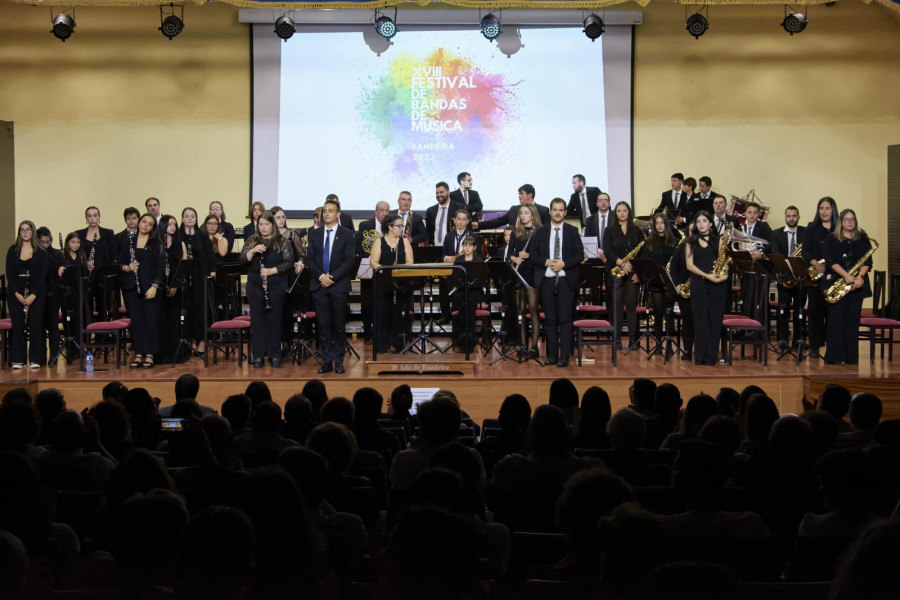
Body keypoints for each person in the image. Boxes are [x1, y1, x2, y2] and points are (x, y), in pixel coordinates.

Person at [526, 198, 583, 367]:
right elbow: (532, 255)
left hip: (566, 280)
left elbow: (579, 255)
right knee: (550, 320)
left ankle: (564, 356)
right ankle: (551, 356)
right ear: (550, 211)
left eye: (561, 210)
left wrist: (564, 263)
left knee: (565, 320)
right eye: (555, 210)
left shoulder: (572, 231)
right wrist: (546, 262)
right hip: (547, 280)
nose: (558, 213)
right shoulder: (541, 232)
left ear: (565, 212)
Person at [306, 199, 355, 374]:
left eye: (330, 211)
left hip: (338, 285)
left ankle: (339, 360)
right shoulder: (315, 234)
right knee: (323, 325)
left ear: (338, 214)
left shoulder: (347, 234)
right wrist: (321, 276)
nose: (326, 214)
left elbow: (350, 260)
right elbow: (309, 259)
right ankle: (326, 360)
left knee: (339, 326)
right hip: (319, 286)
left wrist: (332, 277)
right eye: (324, 211)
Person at [239, 211, 293, 368]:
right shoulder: (252, 240)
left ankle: (274, 354)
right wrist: (252, 251)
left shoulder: (282, 241)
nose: (263, 228)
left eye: (267, 224)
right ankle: (258, 355)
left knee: (274, 319)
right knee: (257, 320)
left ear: (272, 225)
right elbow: (242, 259)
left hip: (276, 284)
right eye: (260, 225)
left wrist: (272, 270)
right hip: (255, 284)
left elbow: (289, 262)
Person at [823, 208, 872, 365]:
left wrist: (860, 277)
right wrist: (847, 276)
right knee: (836, 322)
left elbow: (868, 262)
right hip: (838, 283)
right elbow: (831, 261)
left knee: (852, 322)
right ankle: (834, 357)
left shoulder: (863, 239)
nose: (850, 222)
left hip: (857, 285)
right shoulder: (831, 239)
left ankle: (851, 358)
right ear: (841, 222)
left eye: (852, 219)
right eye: (846, 219)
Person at [119, 213, 165, 369]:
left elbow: (160, 268)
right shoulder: (128, 242)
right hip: (131, 288)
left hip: (150, 288)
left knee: (150, 321)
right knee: (136, 322)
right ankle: (138, 353)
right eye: (144, 222)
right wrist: (127, 267)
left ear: (153, 227)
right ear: (139, 223)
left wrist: (155, 286)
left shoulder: (156, 244)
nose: (146, 225)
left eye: (150, 224)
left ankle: (150, 354)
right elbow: (119, 264)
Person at [685, 211, 729, 365]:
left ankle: (711, 357)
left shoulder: (720, 240)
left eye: (704, 221)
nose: (701, 224)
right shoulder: (691, 241)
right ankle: (700, 356)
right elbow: (689, 265)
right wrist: (706, 275)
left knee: (714, 320)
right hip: (699, 283)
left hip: (718, 284)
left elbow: (724, 262)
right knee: (700, 319)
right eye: (698, 221)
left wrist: (724, 276)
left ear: (711, 223)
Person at [603, 201, 646, 349]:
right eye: (619, 211)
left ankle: (633, 340)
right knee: (617, 308)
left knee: (631, 308)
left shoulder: (638, 231)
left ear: (629, 212)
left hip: (632, 273)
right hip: (615, 272)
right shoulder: (609, 230)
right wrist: (621, 263)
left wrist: (636, 271)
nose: (622, 213)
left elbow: (642, 252)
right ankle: (617, 340)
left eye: (625, 211)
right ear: (616, 214)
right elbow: (607, 250)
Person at [369, 213, 414, 353]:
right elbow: (374, 262)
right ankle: (382, 344)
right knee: (383, 313)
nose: (401, 228)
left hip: (401, 283)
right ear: (389, 227)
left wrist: (399, 272)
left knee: (399, 314)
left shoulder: (404, 241)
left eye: (402, 226)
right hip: (383, 282)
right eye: (399, 226)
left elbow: (410, 262)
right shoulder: (379, 241)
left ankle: (400, 343)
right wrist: (386, 272)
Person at [6, 221, 48, 369]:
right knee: (18, 325)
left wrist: (33, 295)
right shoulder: (12, 250)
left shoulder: (41, 252)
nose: (25, 232)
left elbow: (43, 276)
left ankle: (35, 358)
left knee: (35, 325)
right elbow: (9, 275)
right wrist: (16, 293)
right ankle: (19, 359)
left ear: (33, 232)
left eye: (28, 230)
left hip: (36, 294)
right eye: (22, 230)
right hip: (16, 293)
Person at [176, 207, 216, 356]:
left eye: (192, 216)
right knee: (187, 309)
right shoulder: (178, 236)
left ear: (196, 219)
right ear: (182, 219)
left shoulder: (203, 235)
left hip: (200, 274)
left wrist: (211, 273)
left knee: (201, 309)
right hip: (185, 277)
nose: (190, 219)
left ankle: (202, 340)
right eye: (186, 216)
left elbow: (209, 255)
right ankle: (190, 339)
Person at [803, 196, 838, 358]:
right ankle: (814, 347)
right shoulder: (812, 228)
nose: (824, 211)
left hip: (835, 277)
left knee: (833, 313)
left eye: (827, 208)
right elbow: (805, 251)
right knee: (815, 312)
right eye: (821, 208)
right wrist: (816, 264)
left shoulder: (839, 229)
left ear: (833, 210)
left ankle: (833, 346)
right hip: (816, 276)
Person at [508, 203, 543, 354]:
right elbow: (509, 253)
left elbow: (543, 256)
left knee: (533, 310)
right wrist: (514, 259)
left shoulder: (540, 232)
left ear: (533, 214)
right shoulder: (516, 232)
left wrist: (529, 256)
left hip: (533, 274)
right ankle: (522, 344)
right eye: (521, 213)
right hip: (519, 273)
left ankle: (534, 346)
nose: (523, 215)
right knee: (520, 311)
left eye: (526, 213)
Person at [770, 205, 807, 346]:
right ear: (785, 217)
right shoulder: (776, 233)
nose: (791, 219)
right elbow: (775, 253)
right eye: (789, 216)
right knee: (783, 308)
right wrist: (788, 264)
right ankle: (782, 339)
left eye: (794, 216)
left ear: (799, 217)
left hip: (801, 277)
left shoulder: (805, 233)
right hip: (784, 276)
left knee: (800, 309)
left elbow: (808, 253)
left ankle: (799, 339)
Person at [357, 201, 390, 342]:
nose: (384, 213)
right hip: (368, 268)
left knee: (383, 303)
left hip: (384, 269)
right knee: (366, 303)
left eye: (387, 210)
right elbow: (359, 246)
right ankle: (367, 333)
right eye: (382, 210)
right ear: (376, 212)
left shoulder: (391, 226)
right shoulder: (365, 225)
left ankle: (382, 333)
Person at [439, 209, 480, 323]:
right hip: (451, 270)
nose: (461, 222)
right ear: (454, 220)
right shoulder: (449, 236)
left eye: (464, 220)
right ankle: (445, 314)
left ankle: (458, 314)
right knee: (443, 283)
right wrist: (445, 258)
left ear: (467, 221)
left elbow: (478, 256)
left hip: (466, 272)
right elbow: (443, 254)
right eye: (459, 219)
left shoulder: (473, 236)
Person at [76, 206, 117, 318]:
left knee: (103, 306)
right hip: (86, 277)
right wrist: (85, 263)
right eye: (89, 216)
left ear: (99, 217)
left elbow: (113, 256)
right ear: (86, 218)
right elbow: (76, 255)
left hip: (103, 277)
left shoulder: (108, 233)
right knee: (86, 307)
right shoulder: (78, 234)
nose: (92, 218)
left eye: (95, 215)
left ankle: (103, 335)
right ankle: (86, 334)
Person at [646, 213, 679, 343]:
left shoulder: (675, 242)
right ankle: (658, 343)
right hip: (655, 281)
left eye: (662, 223)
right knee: (658, 314)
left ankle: (670, 344)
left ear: (667, 225)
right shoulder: (649, 242)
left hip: (670, 282)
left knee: (669, 313)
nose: (659, 225)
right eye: (657, 223)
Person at [449, 235, 484, 353]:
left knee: (470, 308)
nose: (467, 248)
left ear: (474, 247)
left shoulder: (478, 261)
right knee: (461, 307)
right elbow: (454, 278)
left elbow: (481, 280)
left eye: (470, 245)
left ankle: (470, 342)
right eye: (465, 245)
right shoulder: (458, 260)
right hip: (461, 290)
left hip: (474, 291)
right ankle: (461, 340)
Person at [36, 227, 63, 366]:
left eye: (48, 242)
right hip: (38, 295)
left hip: (53, 294)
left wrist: (62, 267)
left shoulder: (57, 254)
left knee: (52, 326)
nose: (45, 245)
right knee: (38, 326)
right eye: (42, 242)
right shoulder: (34, 254)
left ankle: (54, 356)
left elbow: (64, 268)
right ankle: (40, 356)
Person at [58, 232, 88, 360]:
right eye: (73, 242)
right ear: (67, 243)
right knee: (67, 318)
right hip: (66, 292)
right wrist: (60, 267)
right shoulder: (62, 255)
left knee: (78, 319)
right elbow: (59, 272)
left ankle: (78, 347)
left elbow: (84, 273)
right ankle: (70, 348)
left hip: (79, 291)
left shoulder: (81, 256)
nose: (75, 245)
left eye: (78, 242)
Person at [477, 184, 550, 231]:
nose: (519, 196)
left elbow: (547, 231)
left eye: (521, 193)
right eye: (519, 194)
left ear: (530, 195)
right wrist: (479, 225)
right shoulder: (514, 209)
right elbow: (499, 221)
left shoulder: (543, 211)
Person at [426, 182, 463, 248]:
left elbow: (467, 228)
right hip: (435, 249)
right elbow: (429, 232)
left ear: (448, 192)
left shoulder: (458, 208)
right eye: (437, 193)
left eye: (441, 192)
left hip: (454, 249)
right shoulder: (430, 211)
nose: (439, 195)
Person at [583, 192, 611, 262]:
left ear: (609, 203)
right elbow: (588, 239)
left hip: (612, 257)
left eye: (606, 200)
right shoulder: (590, 220)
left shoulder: (615, 218)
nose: (603, 202)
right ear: (597, 204)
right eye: (601, 200)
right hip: (596, 256)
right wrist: (598, 251)